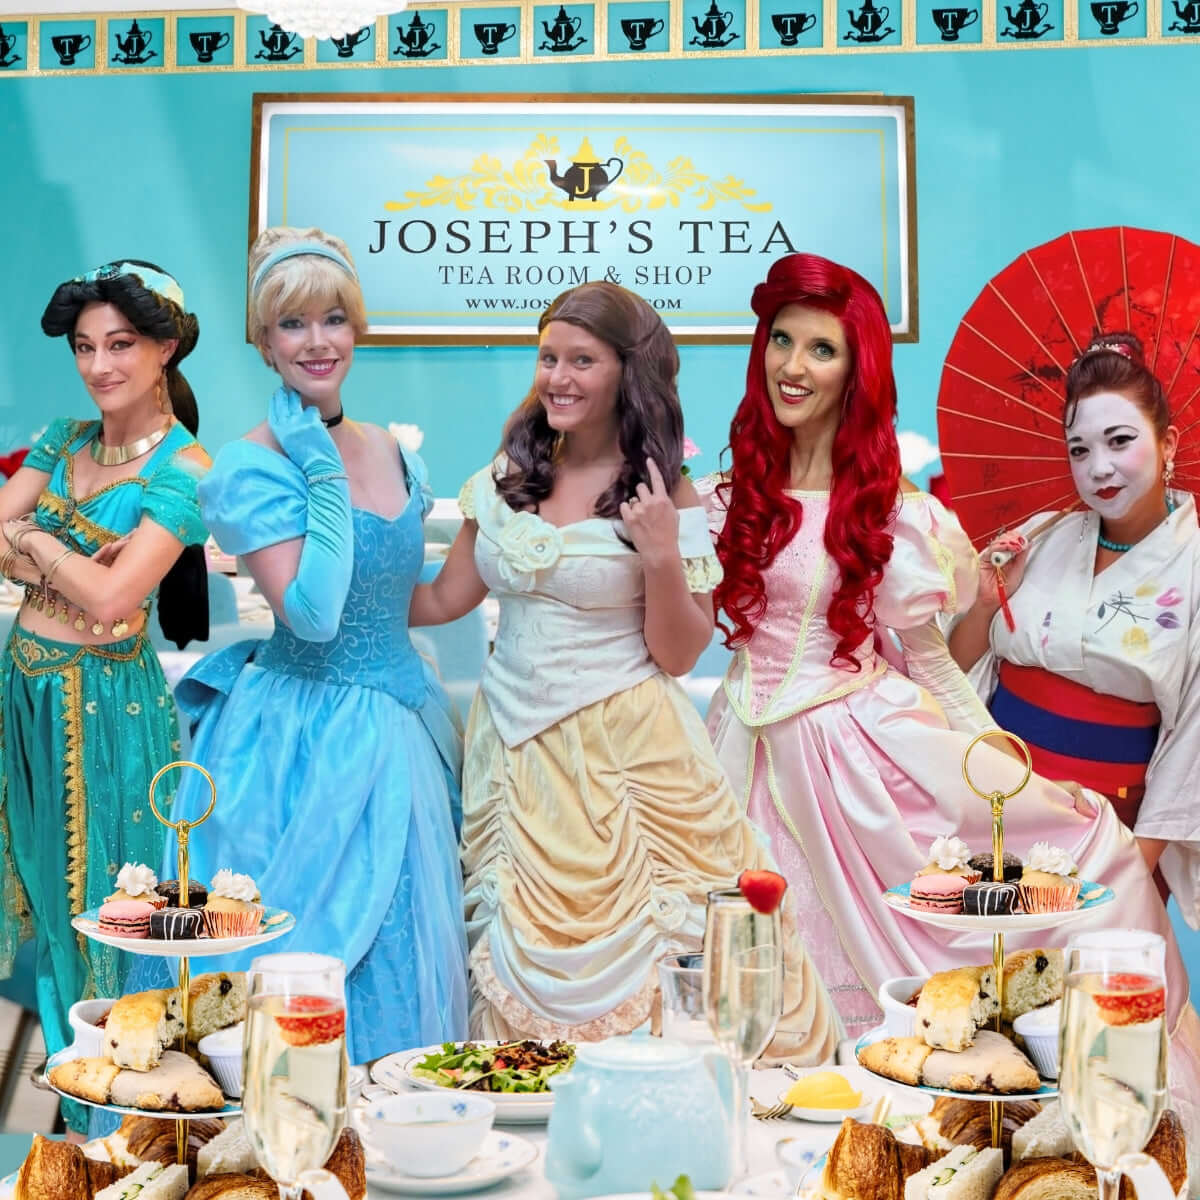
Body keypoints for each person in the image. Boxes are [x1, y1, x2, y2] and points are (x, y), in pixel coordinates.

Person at [701, 257, 1200, 1145]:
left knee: (1081, 876)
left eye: (823, 347)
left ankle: (1070, 1133)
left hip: (858, 753)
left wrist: (994, 762)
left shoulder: (897, 517)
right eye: (782, 339)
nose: (795, 364)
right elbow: (961, 657)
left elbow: (929, 666)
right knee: (746, 978)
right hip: (737, 752)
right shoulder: (724, 501)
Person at [411, 280, 838, 1061]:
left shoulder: (664, 492)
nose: (559, 378)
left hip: (631, 758)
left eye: (583, 360)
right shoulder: (510, 471)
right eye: (548, 358)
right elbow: (444, 597)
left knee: (675, 956)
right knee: (512, 965)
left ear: (626, 374)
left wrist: (661, 551)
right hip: (514, 756)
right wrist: (343, 593)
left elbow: (679, 653)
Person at [166, 227, 468, 1060]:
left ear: (356, 328)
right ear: (263, 343)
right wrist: (322, 472)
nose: (317, 341)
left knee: (404, 950)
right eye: (292, 325)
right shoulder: (248, 465)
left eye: (333, 319)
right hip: (301, 744)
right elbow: (316, 615)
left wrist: (499, 516)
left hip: (402, 731)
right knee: (296, 969)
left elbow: (418, 601)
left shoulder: (394, 451)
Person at [0, 260, 208, 1134]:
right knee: (52, 909)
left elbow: (120, 606)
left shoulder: (187, 465)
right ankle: (75, 1127)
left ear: (163, 349)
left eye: (120, 345)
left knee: (113, 917)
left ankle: (123, 1137)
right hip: (27, 696)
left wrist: (36, 545)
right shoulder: (60, 436)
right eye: (85, 348)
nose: (98, 366)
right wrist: (77, 570)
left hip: (108, 713)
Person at [949, 331, 1200, 916]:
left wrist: (1132, 868)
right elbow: (954, 668)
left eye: (1120, 441)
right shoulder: (1042, 534)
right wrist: (986, 603)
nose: (1099, 468)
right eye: (1079, 449)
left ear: (1168, 443)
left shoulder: (1193, 566)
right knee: (982, 986)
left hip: (1109, 825)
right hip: (993, 798)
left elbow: (1194, 738)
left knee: (1087, 995)